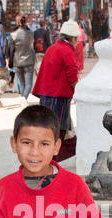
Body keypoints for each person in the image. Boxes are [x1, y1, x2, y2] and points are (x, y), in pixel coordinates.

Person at [32, 19, 80, 162]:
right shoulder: (66, 50)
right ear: (73, 38)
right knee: (56, 130)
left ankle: (47, 158)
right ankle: (49, 160)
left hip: (46, 95)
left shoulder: (53, 48)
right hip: (58, 97)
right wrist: (80, 89)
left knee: (48, 128)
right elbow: (72, 76)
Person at [9, 15, 35, 107]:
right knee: (28, 83)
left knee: (22, 83)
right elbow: (32, 45)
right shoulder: (30, 33)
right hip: (29, 60)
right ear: (26, 22)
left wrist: (11, 63)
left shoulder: (13, 35)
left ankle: (23, 98)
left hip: (17, 60)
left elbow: (11, 50)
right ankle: (24, 98)